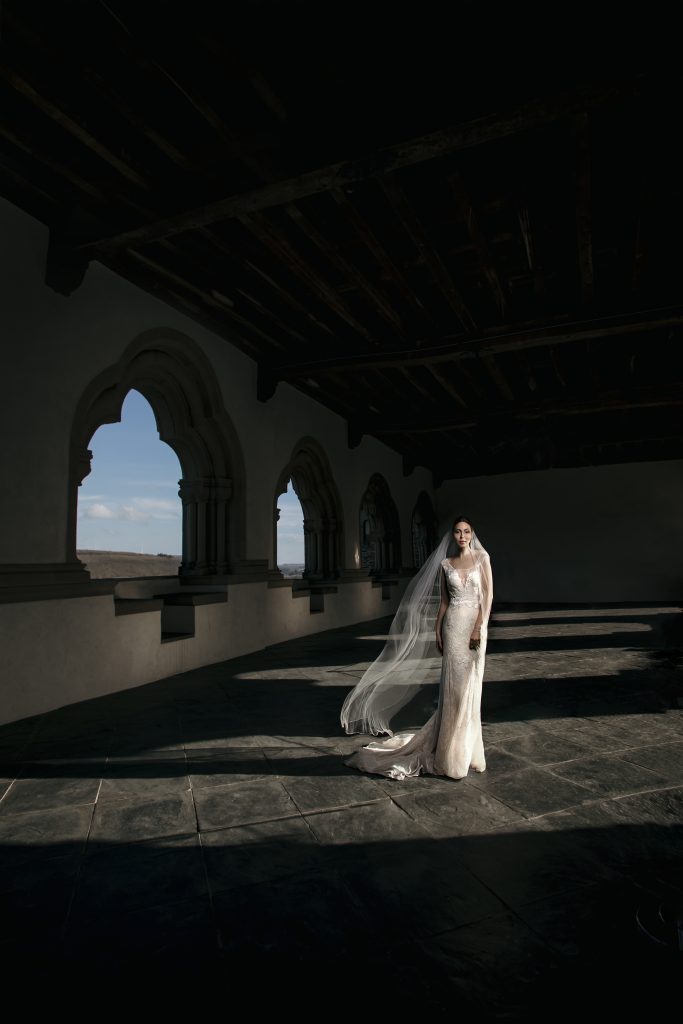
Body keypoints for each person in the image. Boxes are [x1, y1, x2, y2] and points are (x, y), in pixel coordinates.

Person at [340, 516, 493, 781]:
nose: (462, 536)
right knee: (453, 689)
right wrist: (437, 629)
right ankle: (450, 754)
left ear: (472, 534)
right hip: (453, 626)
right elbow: (445, 602)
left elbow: (487, 596)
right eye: (457, 531)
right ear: (452, 535)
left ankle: (468, 751)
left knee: (471, 688)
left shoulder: (482, 559)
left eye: (467, 531)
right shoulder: (446, 564)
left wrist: (480, 626)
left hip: (475, 628)